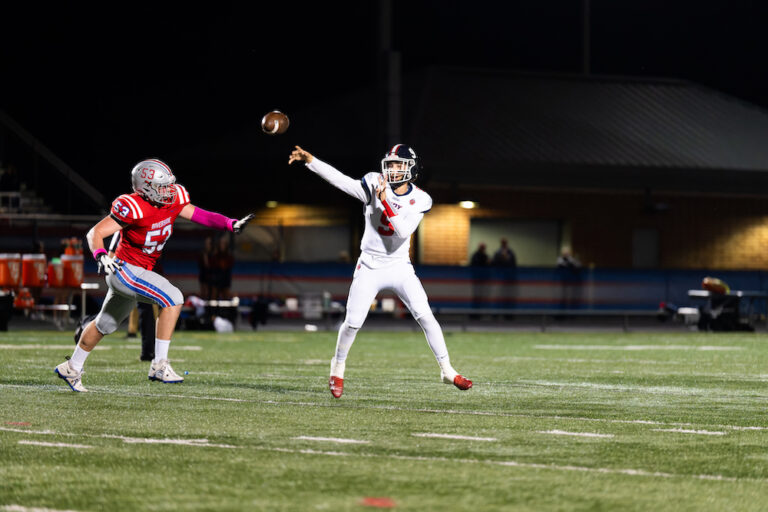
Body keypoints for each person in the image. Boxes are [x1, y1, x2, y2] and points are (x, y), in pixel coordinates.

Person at [289, 144, 472, 398]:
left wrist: (385, 202)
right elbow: (342, 181)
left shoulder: (420, 198)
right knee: (353, 322)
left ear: (411, 169)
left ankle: (447, 370)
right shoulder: (374, 182)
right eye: (391, 164)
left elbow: (402, 231)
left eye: (399, 165)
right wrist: (311, 161)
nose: (393, 170)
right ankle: (338, 367)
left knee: (425, 314)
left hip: (399, 265)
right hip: (370, 263)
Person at [54, 158, 254, 392]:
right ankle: (159, 365)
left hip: (137, 271)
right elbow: (95, 232)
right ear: (145, 187)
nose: (169, 191)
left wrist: (230, 224)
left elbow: (200, 215)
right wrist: (100, 254)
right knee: (173, 297)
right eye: (162, 187)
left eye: (169, 185)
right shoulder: (132, 205)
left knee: (104, 324)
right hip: (123, 269)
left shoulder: (174, 198)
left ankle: (72, 367)